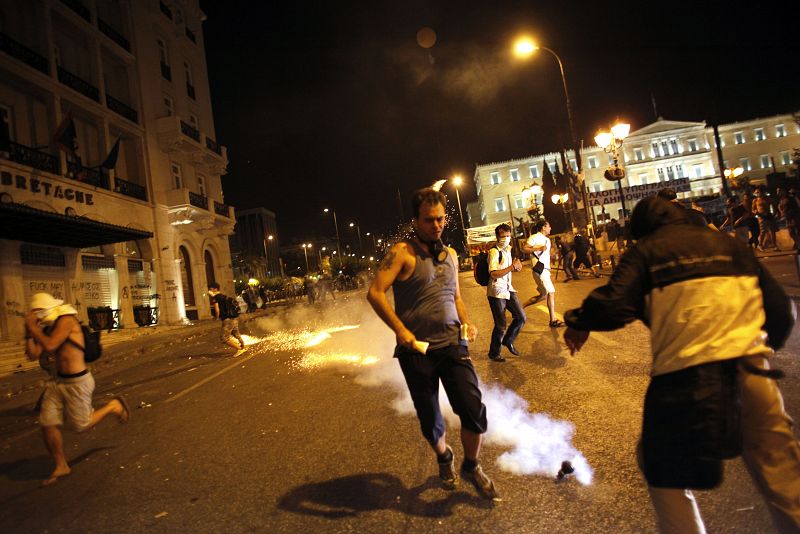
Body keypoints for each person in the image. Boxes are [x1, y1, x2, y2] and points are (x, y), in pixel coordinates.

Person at [563, 196, 800, 533]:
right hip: (753, 374)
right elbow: (779, 311)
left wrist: (579, 321)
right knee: (784, 476)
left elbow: (614, 304)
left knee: (662, 471)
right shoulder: (729, 245)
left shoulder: (647, 251)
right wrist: (756, 352)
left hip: (685, 382)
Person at [366, 187, 499, 500]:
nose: (436, 225)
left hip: (453, 343)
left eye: (440, 219)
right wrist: (401, 330)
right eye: (429, 220)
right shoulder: (402, 252)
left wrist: (466, 321)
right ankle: (444, 456)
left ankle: (471, 465)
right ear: (416, 220)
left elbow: (455, 296)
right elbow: (375, 293)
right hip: (417, 352)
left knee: (473, 410)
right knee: (430, 420)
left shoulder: (450, 255)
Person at [24, 293, 130, 486]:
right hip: (57, 382)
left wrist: (33, 327)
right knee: (47, 422)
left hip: (78, 381)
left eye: (38, 314)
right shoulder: (47, 327)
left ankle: (113, 406)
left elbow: (50, 345)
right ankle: (61, 464)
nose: (37, 319)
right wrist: (29, 333)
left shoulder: (67, 320)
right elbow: (33, 354)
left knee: (81, 425)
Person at [486, 223, 525, 362]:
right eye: (504, 236)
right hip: (496, 292)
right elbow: (494, 273)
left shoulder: (509, 249)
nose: (507, 238)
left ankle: (508, 340)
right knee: (500, 324)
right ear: (497, 236)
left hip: (508, 288)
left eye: (509, 235)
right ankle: (494, 353)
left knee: (521, 317)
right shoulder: (494, 252)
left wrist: (517, 267)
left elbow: (514, 266)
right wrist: (511, 267)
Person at [522, 220, 564, 327]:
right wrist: (538, 248)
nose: (550, 228)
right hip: (540, 270)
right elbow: (525, 248)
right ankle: (553, 320)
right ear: (543, 227)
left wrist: (553, 256)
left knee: (543, 296)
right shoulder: (534, 237)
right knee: (551, 292)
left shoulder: (547, 240)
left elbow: (545, 254)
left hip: (545, 270)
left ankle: (520, 307)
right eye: (549, 226)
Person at [207, 283, 246, 355]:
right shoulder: (224, 296)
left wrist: (216, 317)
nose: (209, 291)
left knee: (224, 338)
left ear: (215, 289)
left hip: (227, 320)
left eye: (210, 289)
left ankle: (240, 349)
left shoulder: (216, 298)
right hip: (234, 318)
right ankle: (243, 345)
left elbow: (217, 310)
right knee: (236, 333)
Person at [753, 187, 779, 251]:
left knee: (772, 231)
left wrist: (775, 213)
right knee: (763, 231)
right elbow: (753, 209)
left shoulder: (767, 199)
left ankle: (774, 245)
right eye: (756, 192)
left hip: (769, 215)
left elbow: (773, 205)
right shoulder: (755, 200)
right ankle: (760, 244)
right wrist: (756, 212)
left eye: (758, 192)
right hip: (761, 216)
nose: (757, 193)